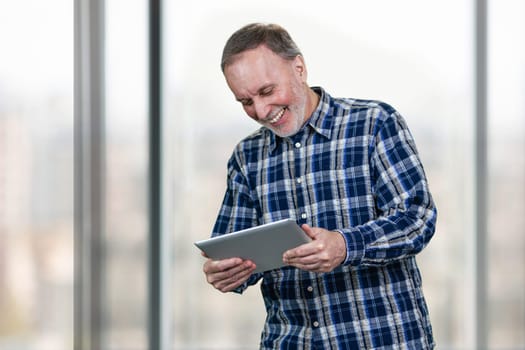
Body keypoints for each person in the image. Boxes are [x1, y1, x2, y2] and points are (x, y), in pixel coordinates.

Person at [202, 22, 437, 349]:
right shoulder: (246, 157)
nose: (260, 111)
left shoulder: (374, 123)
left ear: (299, 68)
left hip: (382, 340)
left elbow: (417, 219)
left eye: (267, 91)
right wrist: (227, 271)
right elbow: (236, 249)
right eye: (245, 101)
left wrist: (344, 245)